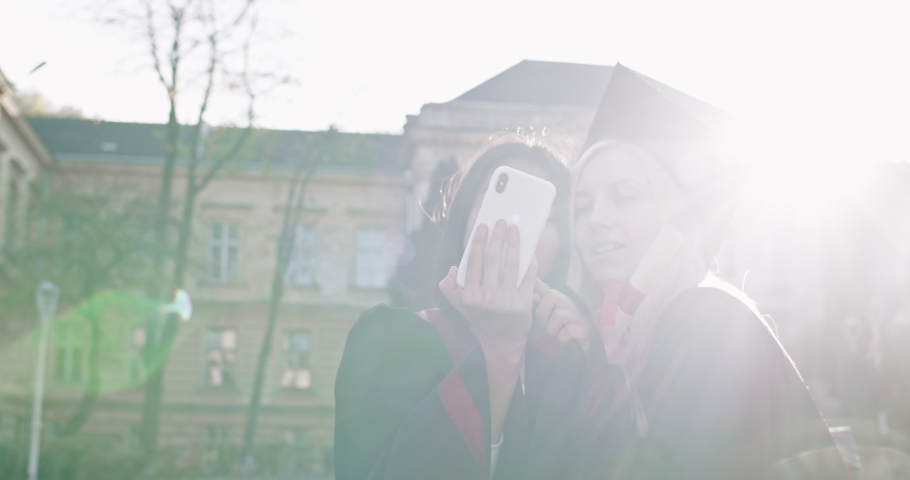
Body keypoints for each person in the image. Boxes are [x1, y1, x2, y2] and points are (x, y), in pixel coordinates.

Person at [574, 65, 850, 479]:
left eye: (625, 196)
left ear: (675, 220)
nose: (596, 219)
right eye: (581, 205)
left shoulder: (704, 321)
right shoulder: (650, 327)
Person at [334, 133, 597, 480]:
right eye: (498, 206)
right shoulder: (391, 341)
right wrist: (499, 349)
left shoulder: (572, 354)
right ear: (463, 222)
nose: (516, 230)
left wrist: (600, 363)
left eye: (545, 217)